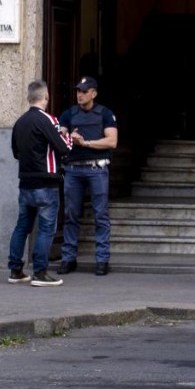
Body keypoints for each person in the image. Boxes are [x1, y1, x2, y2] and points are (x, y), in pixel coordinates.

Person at [8, 80, 74, 287]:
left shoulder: (20, 122)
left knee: (22, 227)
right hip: (46, 183)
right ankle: (40, 272)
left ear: (29, 98)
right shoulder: (49, 120)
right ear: (46, 97)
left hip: (25, 182)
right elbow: (63, 149)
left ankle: (16, 269)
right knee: (46, 229)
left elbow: (16, 152)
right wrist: (69, 137)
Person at [57, 76, 119, 276]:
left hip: (96, 169)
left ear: (94, 93)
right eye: (78, 91)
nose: (80, 95)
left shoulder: (105, 114)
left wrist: (86, 143)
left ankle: (102, 260)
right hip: (73, 170)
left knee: (101, 215)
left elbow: (112, 142)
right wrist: (68, 137)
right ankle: (68, 258)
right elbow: (58, 136)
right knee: (70, 215)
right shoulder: (69, 114)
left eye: (84, 91)